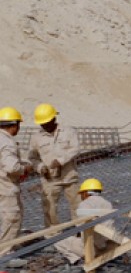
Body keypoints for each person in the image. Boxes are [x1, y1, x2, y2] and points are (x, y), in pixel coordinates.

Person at [28, 103, 80, 229]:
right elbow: (32, 158)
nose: (44, 125)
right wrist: (41, 167)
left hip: (69, 176)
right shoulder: (36, 138)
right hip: (50, 179)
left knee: (77, 205)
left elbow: (75, 149)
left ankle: (81, 229)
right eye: (42, 124)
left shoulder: (68, 131)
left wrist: (60, 161)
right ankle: (53, 232)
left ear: (54, 119)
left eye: (47, 122)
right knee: (49, 208)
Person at [0, 107, 30, 254]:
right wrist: (24, 169)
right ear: (14, 125)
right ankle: (5, 253)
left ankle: (11, 244)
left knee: (12, 215)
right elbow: (12, 167)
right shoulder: (7, 142)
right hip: (6, 186)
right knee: (12, 217)